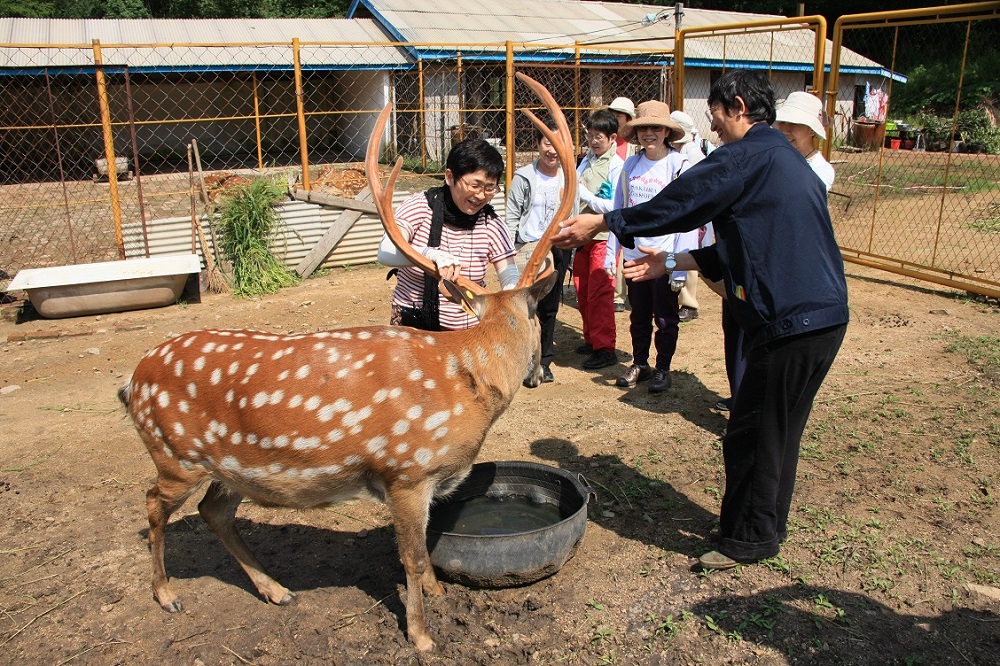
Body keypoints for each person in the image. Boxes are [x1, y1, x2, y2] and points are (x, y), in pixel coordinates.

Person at [554, 70, 849, 571]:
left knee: (751, 433)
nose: (712, 129)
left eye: (714, 116)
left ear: (736, 106)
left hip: (790, 323)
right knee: (777, 431)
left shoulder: (748, 154)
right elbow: (734, 246)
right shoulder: (781, 160)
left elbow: (682, 201)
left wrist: (605, 221)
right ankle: (766, 526)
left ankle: (747, 540)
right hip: (822, 319)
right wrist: (665, 262)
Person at [378, 138, 519, 331]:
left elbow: (509, 274)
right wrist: (430, 254)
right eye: (474, 185)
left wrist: (512, 292)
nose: (480, 195)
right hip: (412, 325)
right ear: (450, 177)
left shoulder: (492, 224)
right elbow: (386, 252)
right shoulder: (420, 207)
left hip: (466, 332)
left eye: (489, 188)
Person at [605, 100, 696, 393]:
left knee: (666, 317)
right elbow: (619, 209)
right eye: (643, 128)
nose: (649, 134)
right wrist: (612, 249)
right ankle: (640, 363)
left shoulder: (678, 165)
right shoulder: (630, 164)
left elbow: (688, 217)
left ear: (667, 132)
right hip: (635, 254)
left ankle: (663, 368)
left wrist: (678, 265)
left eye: (656, 128)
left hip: (665, 256)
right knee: (639, 314)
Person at [506, 117, 573, 383]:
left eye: (558, 143)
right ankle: (523, 360)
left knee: (550, 308)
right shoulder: (524, 177)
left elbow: (574, 212)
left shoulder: (570, 176)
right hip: (529, 248)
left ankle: (544, 360)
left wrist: (570, 250)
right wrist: (510, 253)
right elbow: (512, 217)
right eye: (547, 142)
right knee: (525, 306)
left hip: (559, 247)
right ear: (538, 143)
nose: (552, 150)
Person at [574, 109, 624, 370]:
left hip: (603, 236)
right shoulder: (587, 160)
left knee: (600, 291)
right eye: (590, 136)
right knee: (582, 288)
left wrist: (584, 195)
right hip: (582, 236)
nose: (594, 141)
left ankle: (606, 347)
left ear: (612, 137)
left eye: (599, 137)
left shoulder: (617, 166)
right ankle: (591, 338)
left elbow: (614, 205)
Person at [669, 109, 711, 324]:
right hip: (678, 210)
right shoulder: (675, 151)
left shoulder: (692, 152)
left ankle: (689, 304)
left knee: (687, 253)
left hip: (691, 211)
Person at [607, 97, 637, 312]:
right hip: (611, 200)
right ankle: (618, 295)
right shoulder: (608, 140)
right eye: (613, 115)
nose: (615, 119)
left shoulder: (634, 148)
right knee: (616, 246)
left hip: (632, 202)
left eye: (619, 116)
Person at [774, 91, 835, 191]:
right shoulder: (775, 157)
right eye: (782, 122)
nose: (785, 130)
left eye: (793, 123)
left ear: (811, 130)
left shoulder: (820, 170)